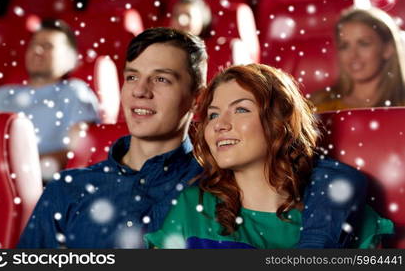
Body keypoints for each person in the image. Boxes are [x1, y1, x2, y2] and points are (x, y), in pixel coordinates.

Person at [18, 28, 366, 248]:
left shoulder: (222, 175)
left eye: (162, 79)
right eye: (132, 77)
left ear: (197, 99)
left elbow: (327, 176)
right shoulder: (69, 187)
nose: (140, 92)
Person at [145, 64, 393, 249]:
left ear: (278, 123)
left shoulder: (342, 211)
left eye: (241, 109)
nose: (219, 125)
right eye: (213, 114)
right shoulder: (190, 208)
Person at [0, 19, 100, 181]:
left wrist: (14, 169)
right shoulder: (1, 94)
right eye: (33, 44)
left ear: (70, 58)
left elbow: (80, 152)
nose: (37, 50)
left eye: (48, 46)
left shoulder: (74, 91)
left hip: (40, 181)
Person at [311, 6, 405, 112]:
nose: (353, 55)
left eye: (364, 44)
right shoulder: (319, 105)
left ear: (388, 49)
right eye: (344, 46)